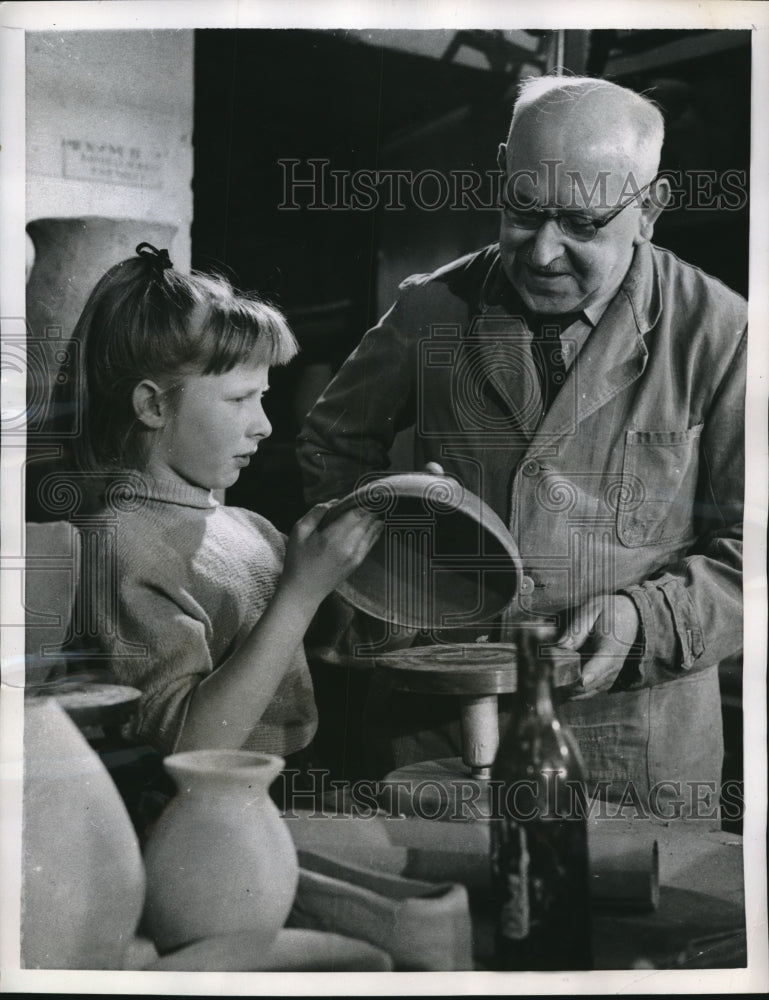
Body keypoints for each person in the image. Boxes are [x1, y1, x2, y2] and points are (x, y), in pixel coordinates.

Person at [297, 76, 746, 818]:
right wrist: (393, 569)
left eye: (580, 223)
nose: (541, 251)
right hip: (437, 726)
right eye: (523, 210)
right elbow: (330, 445)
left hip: (628, 745)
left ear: (650, 208)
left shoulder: (722, 336)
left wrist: (648, 619)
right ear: (501, 169)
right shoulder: (430, 309)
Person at [68, 242, 381, 771]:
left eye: (262, 397)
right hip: (201, 810)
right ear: (153, 404)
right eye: (239, 399)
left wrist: (370, 548)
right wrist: (301, 592)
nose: (264, 424)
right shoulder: (117, 544)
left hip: (289, 784)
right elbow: (188, 744)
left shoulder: (250, 528)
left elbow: (330, 646)